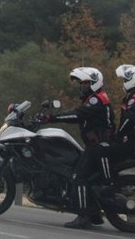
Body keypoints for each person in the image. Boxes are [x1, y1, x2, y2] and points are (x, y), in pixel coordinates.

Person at [41, 67, 115, 229]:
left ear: (95, 83)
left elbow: (78, 115)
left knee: (79, 177)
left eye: (86, 84)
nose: (82, 87)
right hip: (99, 144)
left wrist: (51, 118)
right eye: (81, 84)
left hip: (97, 146)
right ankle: (94, 213)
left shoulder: (96, 100)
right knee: (85, 177)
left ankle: (84, 216)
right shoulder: (98, 98)